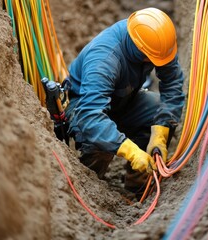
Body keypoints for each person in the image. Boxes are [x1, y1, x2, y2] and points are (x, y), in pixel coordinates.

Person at [65, 7, 185, 195]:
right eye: (151, 59)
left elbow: (172, 85)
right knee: (100, 144)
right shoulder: (104, 60)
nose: (156, 63)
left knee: (158, 111)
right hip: (85, 108)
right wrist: (131, 151)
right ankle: (93, 189)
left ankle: (138, 184)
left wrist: (160, 134)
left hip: (123, 101)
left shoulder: (158, 43)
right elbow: (90, 116)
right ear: (139, 48)